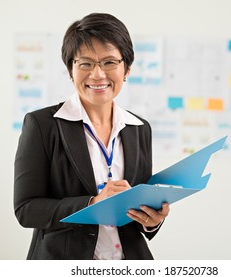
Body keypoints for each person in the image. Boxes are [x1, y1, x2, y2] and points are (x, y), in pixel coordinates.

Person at [14, 13, 170, 260]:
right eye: (85, 63)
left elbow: (137, 208)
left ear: (126, 69)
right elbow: (26, 209)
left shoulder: (139, 127)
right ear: (71, 70)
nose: (97, 75)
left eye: (109, 62)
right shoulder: (42, 125)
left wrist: (152, 220)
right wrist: (92, 204)